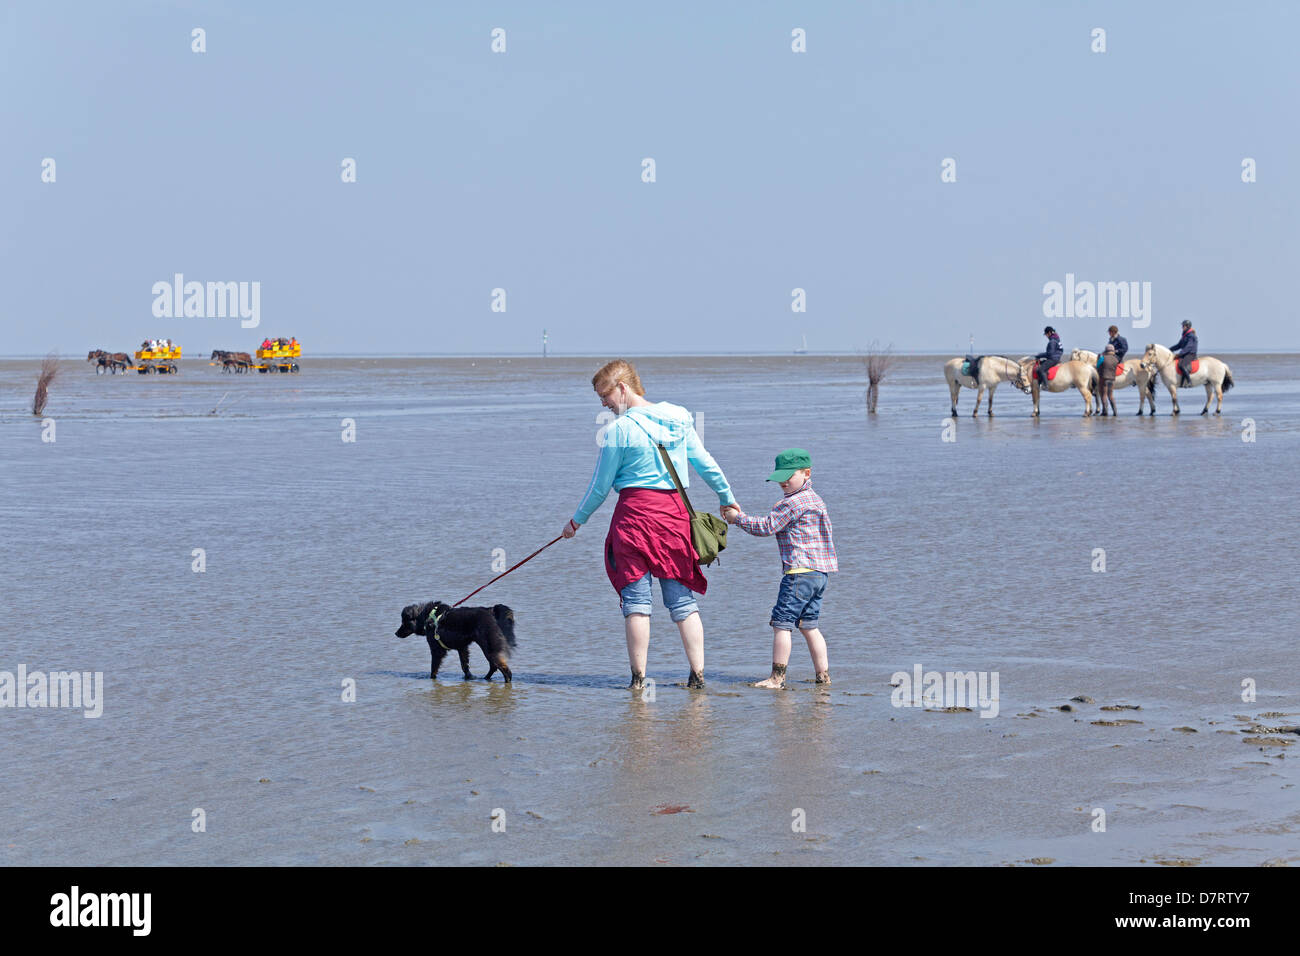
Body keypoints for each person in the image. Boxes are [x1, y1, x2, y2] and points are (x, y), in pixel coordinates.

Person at [561, 359, 737, 690]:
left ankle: (638, 681)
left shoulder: (617, 431)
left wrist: (576, 521)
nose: (603, 403)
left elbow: (600, 488)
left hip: (634, 519)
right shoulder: (680, 417)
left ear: (623, 388)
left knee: (637, 604)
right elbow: (705, 463)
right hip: (674, 517)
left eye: (604, 395)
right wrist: (726, 497)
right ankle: (698, 677)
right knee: (682, 602)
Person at [723, 449, 837, 689]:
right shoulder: (816, 499)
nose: (784, 481)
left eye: (789, 476)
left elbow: (766, 526)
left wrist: (737, 518)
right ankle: (823, 676)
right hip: (820, 574)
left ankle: (777, 678)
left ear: (807, 473)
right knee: (809, 625)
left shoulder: (792, 503)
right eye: (780, 478)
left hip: (798, 573)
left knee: (782, 623)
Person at [1169, 319, 1198, 386]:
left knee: (1182, 365)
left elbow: (1188, 347)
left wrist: (1180, 354)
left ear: (1187, 326)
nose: (1182, 327)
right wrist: (1169, 349)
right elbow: (1179, 345)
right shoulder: (1185, 336)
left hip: (1191, 354)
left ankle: (1189, 381)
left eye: (1183, 326)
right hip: (1185, 353)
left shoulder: (1191, 336)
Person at [1099, 344, 1119, 416]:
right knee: (1111, 396)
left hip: (1104, 379)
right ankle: (1115, 412)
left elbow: (1097, 366)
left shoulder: (1102, 358)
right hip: (1112, 379)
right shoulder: (1115, 359)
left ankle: (1105, 412)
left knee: (1104, 395)